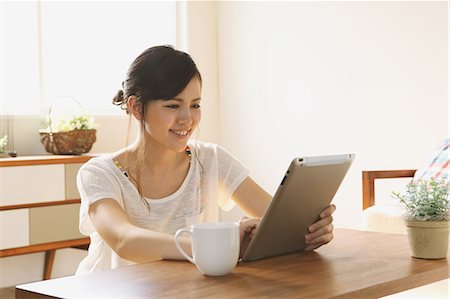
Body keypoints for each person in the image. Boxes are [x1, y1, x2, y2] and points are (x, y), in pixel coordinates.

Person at [76, 45, 336, 274]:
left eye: (195, 105)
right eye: (173, 105)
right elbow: (125, 241)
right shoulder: (100, 174)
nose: (187, 119)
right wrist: (221, 244)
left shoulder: (210, 159)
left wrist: (310, 230)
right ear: (136, 107)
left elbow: (278, 221)